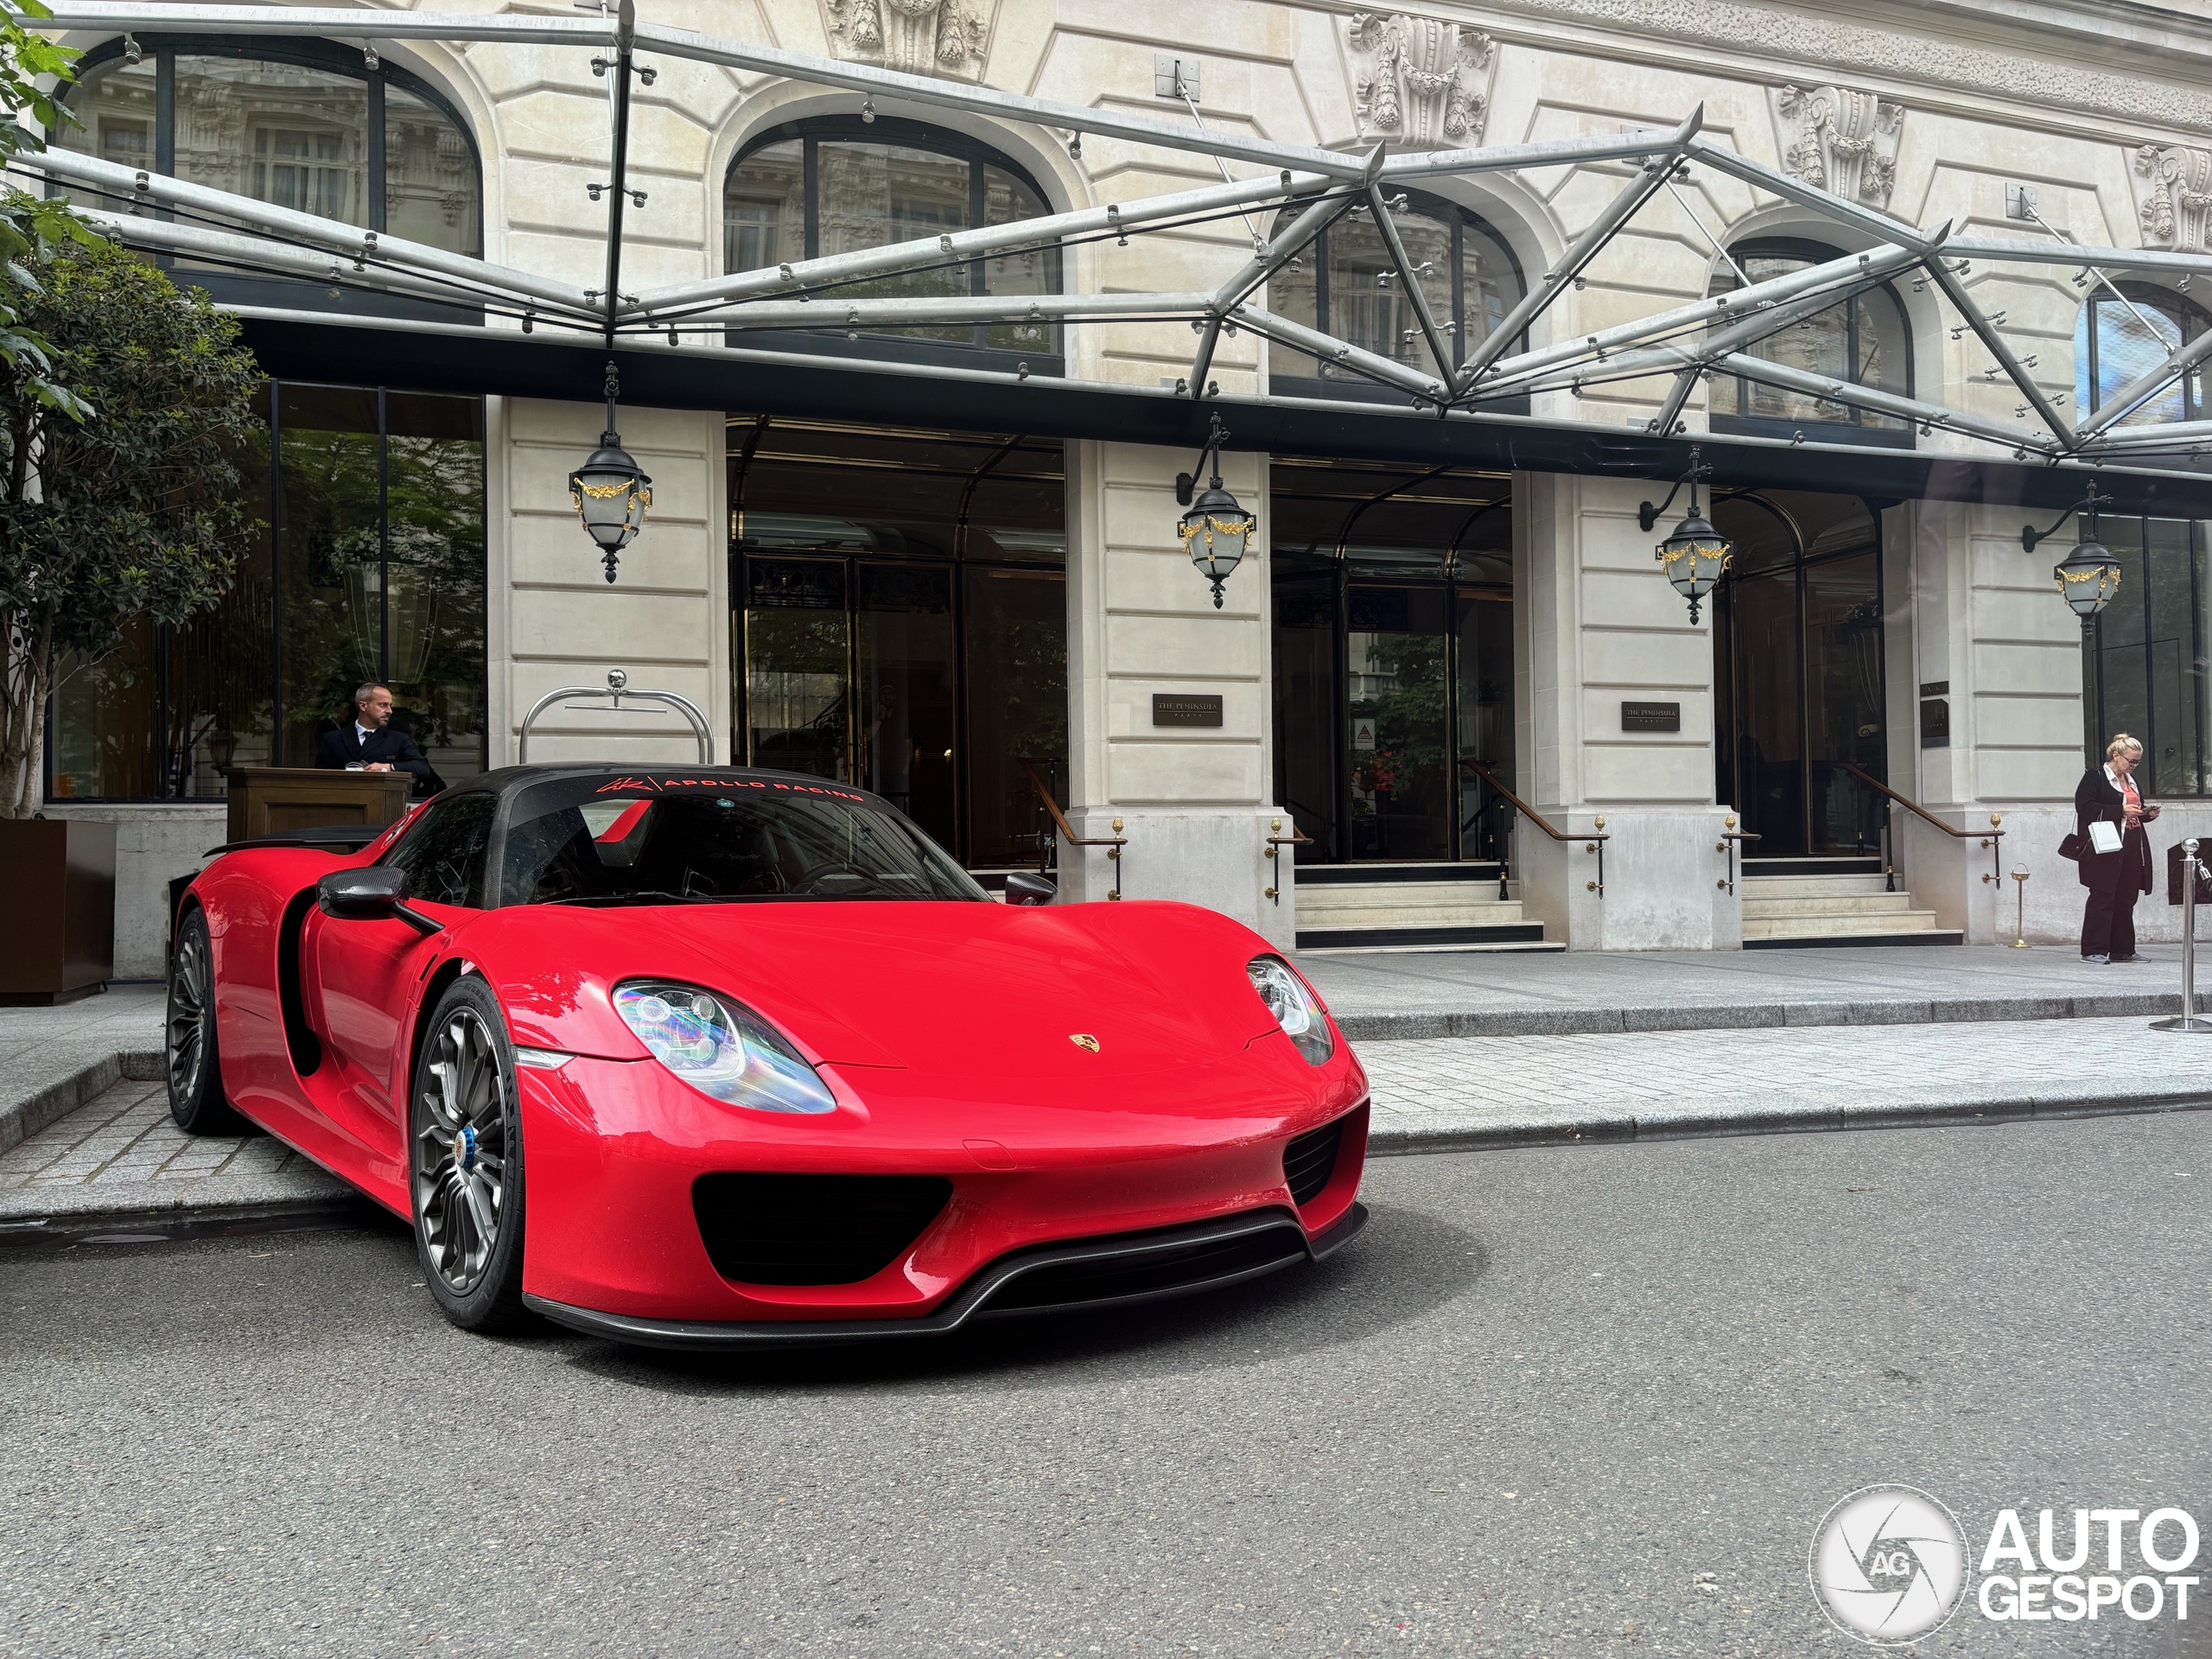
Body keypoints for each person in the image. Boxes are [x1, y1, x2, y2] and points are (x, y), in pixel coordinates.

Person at [2074, 733, 2159, 963]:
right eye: (2131, 760)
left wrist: (2146, 814)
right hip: (2105, 844)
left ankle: (2123, 949)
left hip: (2131, 841)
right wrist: (2121, 811)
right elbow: (2085, 807)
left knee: (2127, 897)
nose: (2134, 765)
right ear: (2116, 755)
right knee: (2103, 896)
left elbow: (2133, 811)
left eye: (2138, 762)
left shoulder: (2131, 781)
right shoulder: (2096, 777)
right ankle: (2093, 949)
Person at [315, 682, 445, 798]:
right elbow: (317, 779)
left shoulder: (398, 739)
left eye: (390, 705)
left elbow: (422, 767)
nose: (389, 711)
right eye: (383, 705)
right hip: (341, 805)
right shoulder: (333, 739)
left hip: (381, 807)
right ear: (363, 706)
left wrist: (389, 767)